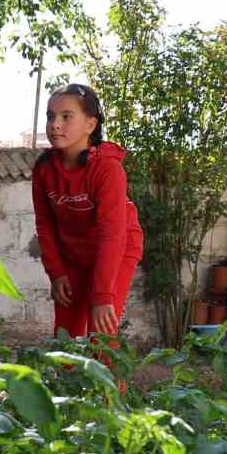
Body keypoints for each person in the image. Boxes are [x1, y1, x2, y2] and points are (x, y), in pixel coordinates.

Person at [32, 84, 144, 339]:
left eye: (66, 117)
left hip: (117, 249)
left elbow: (112, 234)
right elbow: (45, 226)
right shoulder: (43, 169)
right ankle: (65, 380)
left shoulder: (108, 170)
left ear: (90, 124)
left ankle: (111, 381)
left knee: (101, 334)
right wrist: (57, 272)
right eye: (51, 117)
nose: (55, 124)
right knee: (65, 336)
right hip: (72, 254)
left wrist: (103, 294)